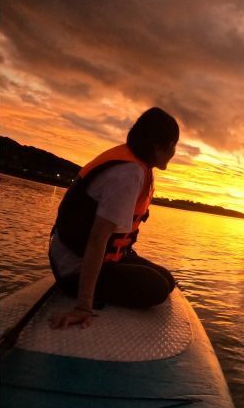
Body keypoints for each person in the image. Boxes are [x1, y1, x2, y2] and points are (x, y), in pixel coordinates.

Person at [48, 107, 180, 329]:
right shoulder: (128, 174)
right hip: (73, 268)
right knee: (156, 289)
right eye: (173, 145)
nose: (174, 151)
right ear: (158, 147)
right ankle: (81, 294)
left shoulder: (138, 166)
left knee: (166, 281)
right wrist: (83, 306)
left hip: (97, 258)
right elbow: (98, 238)